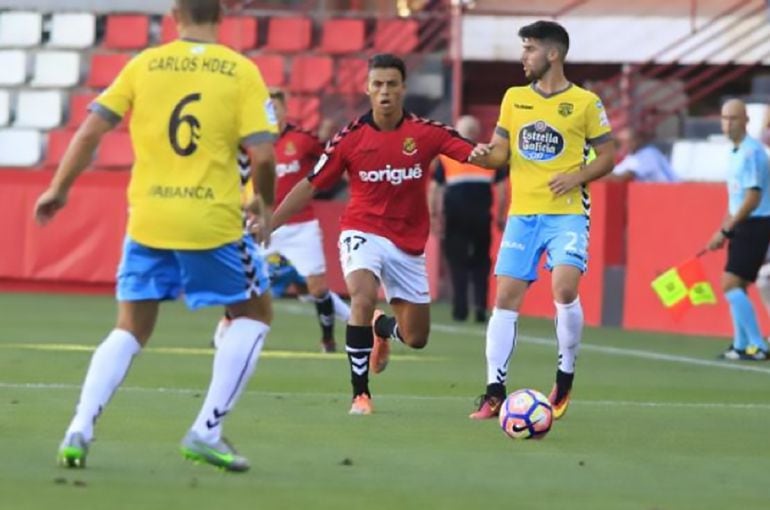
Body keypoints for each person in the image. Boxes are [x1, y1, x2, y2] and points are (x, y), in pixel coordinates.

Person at [34, 0, 278, 472]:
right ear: (222, 14)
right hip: (211, 221)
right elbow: (264, 157)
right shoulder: (240, 71)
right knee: (255, 313)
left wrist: (58, 189)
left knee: (131, 327)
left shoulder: (143, 64)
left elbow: (88, 131)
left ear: (174, 14)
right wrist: (263, 205)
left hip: (148, 219)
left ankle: (79, 428)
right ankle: (206, 431)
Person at [267, 53, 475, 415]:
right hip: (362, 229)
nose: (384, 92)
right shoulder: (350, 138)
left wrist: (504, 150)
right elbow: (310, 184)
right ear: (367, 89)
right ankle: (360, 394)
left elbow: (478, 155)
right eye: (377, 84)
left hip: (408, 242)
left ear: (403, 88)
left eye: (392, 84)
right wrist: (271, 222)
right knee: (361, 296)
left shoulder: (426, 133)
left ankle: (382, 328)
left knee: (417, 337)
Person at [467, 20, 616, 420]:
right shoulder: (514, 98)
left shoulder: (585, 103)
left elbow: (608, 155)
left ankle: (564, 378)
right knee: (504, 299)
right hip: (522, 214)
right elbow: (501, 152)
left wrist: (577, 176)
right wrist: (486, 156)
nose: (523, 57)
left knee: (564, 289)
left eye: (529, 49)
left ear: (553, 54)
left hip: (566, 212)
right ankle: (494, 391)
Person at [216, 89, 351, 353]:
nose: (271, 113)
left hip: (301, 224)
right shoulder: (251, 144)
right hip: (264, 225)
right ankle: (224, 331)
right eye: (266, 108)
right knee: (244, 282)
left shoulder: (303, 140)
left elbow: (331, 159)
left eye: (275, 108)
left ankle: (328, 340)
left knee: (317, 287)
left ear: (284, 110)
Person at [428, 114, 508, 323]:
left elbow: (435, 189)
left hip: (455, 216)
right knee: (481, 262)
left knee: (457, 262)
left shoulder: (447, 156)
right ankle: (480, 307)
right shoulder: (489, 155)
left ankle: (460, 309)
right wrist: (500, 215)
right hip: (482, 216)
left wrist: (434, 215)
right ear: (477, 132)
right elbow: (501, 190)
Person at [708, 99, 770, 361]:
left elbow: (752, 198)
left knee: (730, 282)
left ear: (745, 120)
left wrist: (727, 229)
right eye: (724, 118)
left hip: (757, 222)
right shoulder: (734, 152)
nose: (727, 123)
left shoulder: (751, 152)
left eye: (733, 118)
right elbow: (736, 198)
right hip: (743, 223)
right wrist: (725, 227)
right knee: (738, 284)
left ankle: (759, 345)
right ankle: (741, 344)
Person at [607, 126, 677, 182]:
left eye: (626, 142)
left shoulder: (649, 154)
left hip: (672, 192)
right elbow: (615, 174)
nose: (623, 146)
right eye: (619, 143)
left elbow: (622, 177)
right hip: (653, 194)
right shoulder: (630, 158)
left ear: (635, 141)